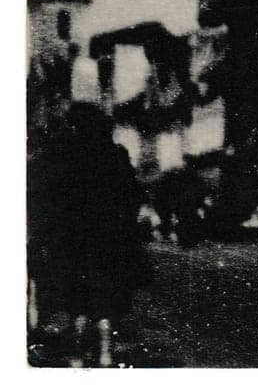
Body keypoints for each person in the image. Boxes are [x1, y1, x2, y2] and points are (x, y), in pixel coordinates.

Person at [29, 104, 151, 365]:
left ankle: (77, 354)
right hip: (110, 238)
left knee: (78, 299)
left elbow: (51, 198)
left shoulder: (64, 156)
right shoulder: (115, 154)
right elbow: (133, 195)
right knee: (106, 298)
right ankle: (105, 353)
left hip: (74, 239)